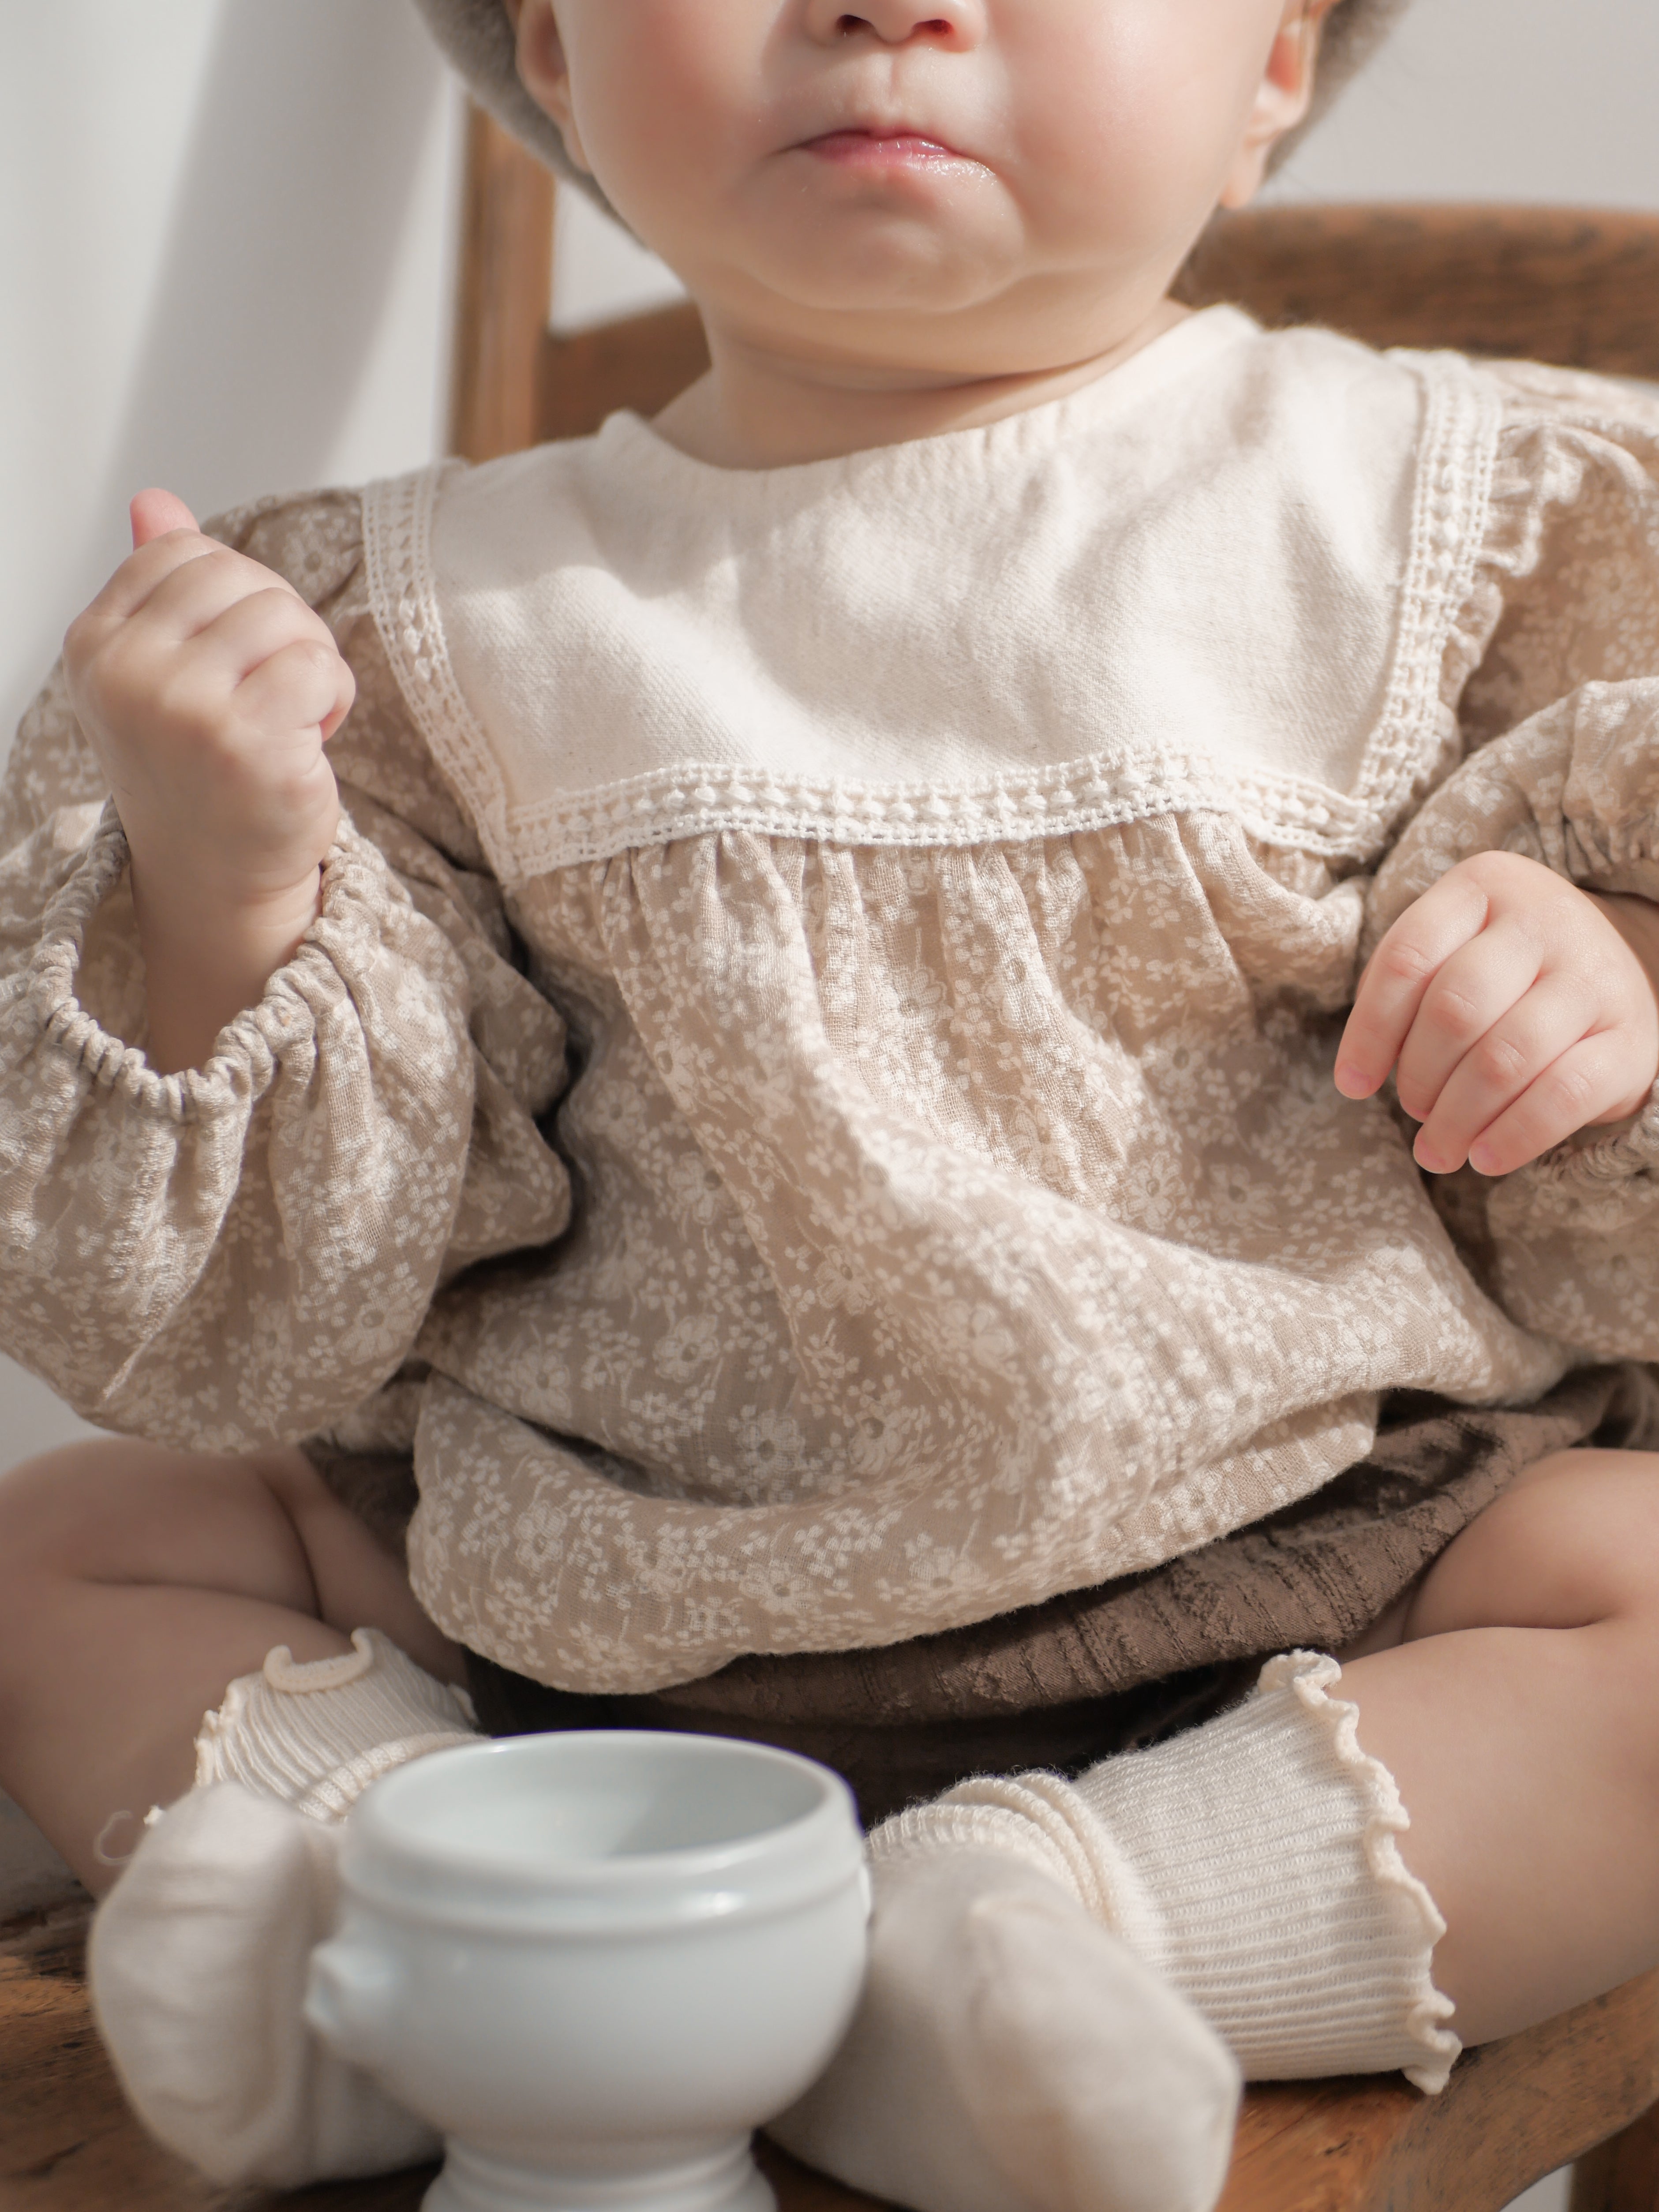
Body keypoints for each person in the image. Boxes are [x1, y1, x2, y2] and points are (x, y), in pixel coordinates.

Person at [4, 0, 1659, 2205]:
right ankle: (399, 1922)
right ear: (556, 60)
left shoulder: (1475, 518)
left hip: (1315, 1583)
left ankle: (1053, 1945)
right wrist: (218, 896)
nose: (888, 0)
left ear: (1272, 62)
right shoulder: (406, 624)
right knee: (70, 1544)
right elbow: (277, 1302)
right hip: (581, 1629)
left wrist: (1612, 960)